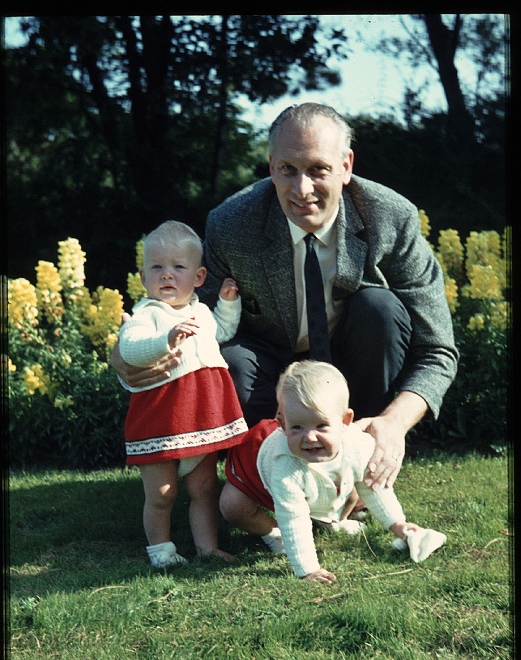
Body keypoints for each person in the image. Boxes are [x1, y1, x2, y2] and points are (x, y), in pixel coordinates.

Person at [111, 102, 458, 496]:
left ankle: (362, 462)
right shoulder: (231, 223)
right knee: (233, 361)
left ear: (346, 166)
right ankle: (263, 478)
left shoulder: (391, 218)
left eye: (318, 170)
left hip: (350, 368)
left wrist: (394, 423)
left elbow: (438, 349)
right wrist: (126, 353)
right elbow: (190, 312)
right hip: (267, 368)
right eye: (288, 170)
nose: (302, 189)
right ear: (271, 166)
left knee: (380, 310)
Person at [220, 360, 446, 584]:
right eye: (296, 427)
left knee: (356, 485)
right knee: (232, 506)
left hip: (320, 481)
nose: (309, 437)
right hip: (257, 478)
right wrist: (308, 569)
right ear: (282, 424)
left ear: (346, 421)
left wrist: (399, 525)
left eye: (321, 426)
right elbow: (293, 516)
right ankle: (271, 532)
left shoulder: (358, 445)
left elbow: (373, 487)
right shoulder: (284, 464)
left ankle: (332, 520)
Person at [118, 220, 248, 568]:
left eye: (178, 267)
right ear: (143, 278)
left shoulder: (200, 311)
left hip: (203, 415)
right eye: (157, 267)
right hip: (162, 416)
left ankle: (208, 548)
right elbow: (130, 349)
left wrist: (227, 304)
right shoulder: (145, 315)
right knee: (163, 494)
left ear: (199, 277)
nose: (167, 275)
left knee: (204, 488)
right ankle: (162, 552)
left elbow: (221, 331)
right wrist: (166, 340)